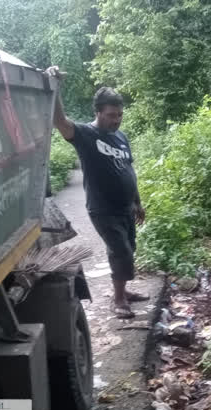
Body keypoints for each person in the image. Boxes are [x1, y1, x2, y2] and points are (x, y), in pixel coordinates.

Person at [46, 66, 148, 318]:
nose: (117, 120)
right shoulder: (85, 134)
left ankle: (124, 290)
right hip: (103, 209)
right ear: (98, 112)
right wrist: (55, 86)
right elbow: (59, 121)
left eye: (120, 115)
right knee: (120, 251)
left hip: (126, 207)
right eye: (112, 115)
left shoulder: (121, 137)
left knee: (129, 248)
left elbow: (128, 170)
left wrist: (137, 202)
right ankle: (118, 300)